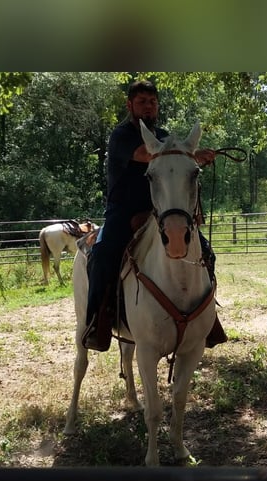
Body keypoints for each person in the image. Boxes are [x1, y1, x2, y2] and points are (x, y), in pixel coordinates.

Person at [82, 79, 227, 352]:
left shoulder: (163, 135)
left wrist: (190, 159)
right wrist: (192, 154)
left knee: (205, 251)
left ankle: (208, 320)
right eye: (141, 102)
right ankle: (97, 323)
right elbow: (144, 154)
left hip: (158, 211)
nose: (148, 107)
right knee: (102, 254)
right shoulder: (121, 136)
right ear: (130, 105)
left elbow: (175, 163)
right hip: (122, 212)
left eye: (152, 102)